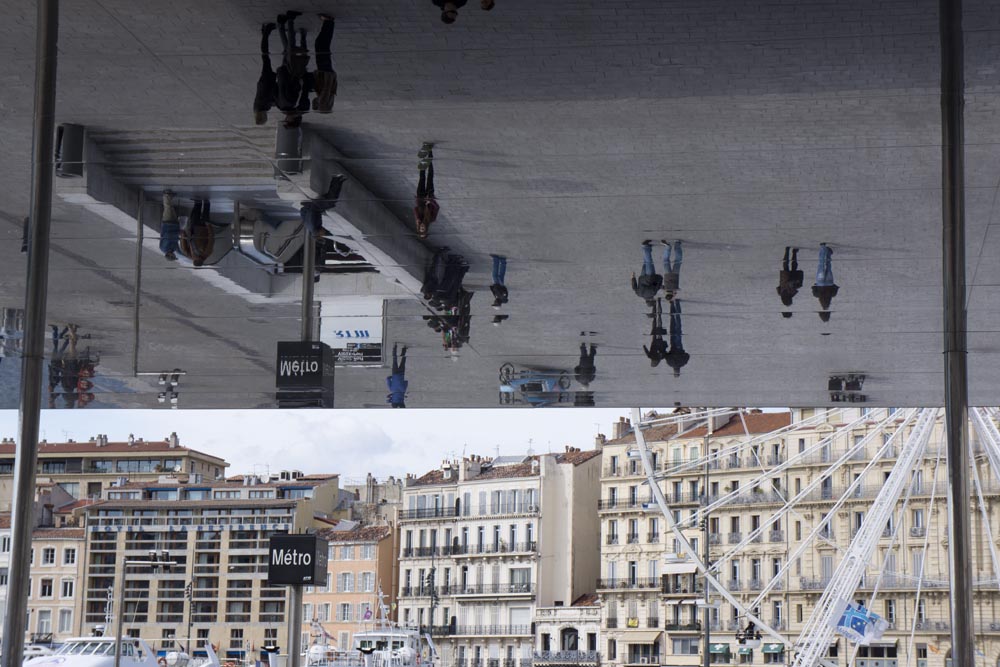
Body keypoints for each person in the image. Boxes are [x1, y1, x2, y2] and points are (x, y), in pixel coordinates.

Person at [276, 11, 310, 126]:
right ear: (294, 119)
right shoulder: (283, 107)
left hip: (292, 73)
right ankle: (281, 24)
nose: (285, 118)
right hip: (284, 73)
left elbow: (295, 87)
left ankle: (290, 20)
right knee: (287, 49)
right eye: (287, 120)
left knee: (290, 48)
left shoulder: (291, 105)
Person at [311, 14, 338, 114]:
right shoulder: (323, 99)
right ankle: (328, 22)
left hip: (326, 71)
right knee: (321, 45)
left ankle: (329, 23)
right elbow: (326, 87)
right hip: (324, 70)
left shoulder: (328, 98)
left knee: (323, 45)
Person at [254, 22, 278, 125]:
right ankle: (265, 32)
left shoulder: (261, 107)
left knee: (265, 55)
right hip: (264, 81)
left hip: (266, 80)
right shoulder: (260, 108)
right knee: (265, 57)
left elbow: (267, 95)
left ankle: (266, 32)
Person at [414, 144, 440, 239]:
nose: (422, 228)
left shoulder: (419, 218)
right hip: (429, 196)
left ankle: (424, 158)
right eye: (423, 230)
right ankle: (430, 155)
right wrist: (430, 202)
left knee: (422, 178)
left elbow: (415, 208)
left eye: (420, 229)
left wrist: (417, 218)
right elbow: (437, 207)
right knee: (430, 177)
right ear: (426, 229)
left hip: (420, 197)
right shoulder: (431, 219)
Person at [180, 199, 214, 266]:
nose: (195, 257)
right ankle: (206, 201)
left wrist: (183, 235)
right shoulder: (207, 253)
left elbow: (184, 248)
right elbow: (211, 239)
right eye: (197, 259)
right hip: (204, 228)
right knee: (205, 213)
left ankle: (198, 202)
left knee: (195, 213)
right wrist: (209, 227)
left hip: (194, 230)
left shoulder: (190, 255)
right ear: (201, 260)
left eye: (195, 259)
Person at [811, 243, 839, 321]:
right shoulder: (817, 295)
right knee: (821, 265)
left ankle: (828, 253)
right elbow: (813, 287)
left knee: (828, 265)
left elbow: (836, 287)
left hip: (829, 282)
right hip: (820, 282)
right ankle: (822, 248)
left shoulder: (832, 295)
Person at [631, 240, 662, 306]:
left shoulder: (653, 293)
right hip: (641, 277)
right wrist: (633, 277)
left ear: (652, 300)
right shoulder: (639, 294)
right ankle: (648, 249)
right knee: (645, 263)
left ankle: (645, 247)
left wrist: (659, 277)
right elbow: (634, 287)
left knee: (649, 262)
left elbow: (658, 284)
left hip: (650, 277)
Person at [664, 299, 690, 377]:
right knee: (672, 324)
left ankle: (677, 304)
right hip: (672, 345)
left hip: (679, 347)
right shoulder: (670, 363)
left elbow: (687, 355)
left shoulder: (683, 363)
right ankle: (672, 304)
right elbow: (666, 355)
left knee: (678, 326)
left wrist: (682, 353)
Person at [776, 246, 804, 313]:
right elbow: (778, 287)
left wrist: (797, 283)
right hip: (784, 277)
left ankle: (794, 252)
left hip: (791, 277)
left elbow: (791, 284)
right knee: (786, 264)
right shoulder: (780, 293)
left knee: (793, 264)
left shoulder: (791, 293)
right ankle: (787, 251)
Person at [643, 299, 668, 367]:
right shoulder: (650, 356)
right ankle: (655, 307)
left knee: (659, 321)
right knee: (654, 324)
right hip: (654, 340)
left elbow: (666, 352)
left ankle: (658, 304)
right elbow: (645, 349)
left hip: (660, 340)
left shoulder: (661, 357)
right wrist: (644, 345)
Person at [159, 191, 180, 261]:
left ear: (170, 255)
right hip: (175, 225)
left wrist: (178, 234)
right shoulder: (173, 249)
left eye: (174, 256)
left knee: (167, 208)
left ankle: (166, 195)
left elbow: (167, 235)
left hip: (167, 225)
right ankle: (170, 197)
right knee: (171, 208)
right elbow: (177, 241)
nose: (174, 254)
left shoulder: (164, 248)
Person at [385, 344, 408, 408]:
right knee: (394, 360)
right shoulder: (392, 389)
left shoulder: (403, 390)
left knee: (403, 362)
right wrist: (392, 377)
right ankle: (395, 347)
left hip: (401, 374)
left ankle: (404, 350)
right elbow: (388, 379)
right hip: (395, 374)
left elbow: (406, 382)